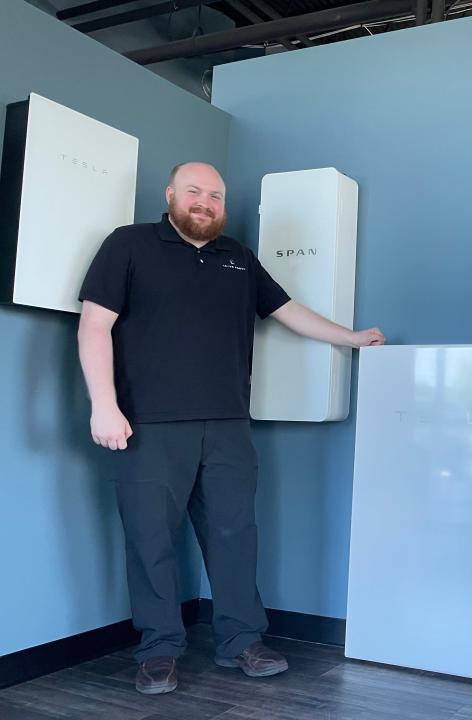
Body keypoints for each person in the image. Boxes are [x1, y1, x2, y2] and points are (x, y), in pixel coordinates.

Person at [77, 162, 385, 695]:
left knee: (235, 536)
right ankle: (158, 650)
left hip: (227, 425)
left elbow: (287, 310)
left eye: (215, 195)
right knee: (151, 541)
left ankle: (241, 641)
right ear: (171, 194)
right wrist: (103, 405)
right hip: (147, 425)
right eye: (194, 191)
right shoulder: (127, 245)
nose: (205, 202)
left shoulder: (238, 257)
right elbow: (93, 324)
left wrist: (352, 338)